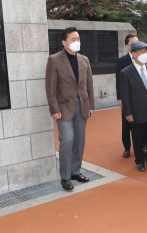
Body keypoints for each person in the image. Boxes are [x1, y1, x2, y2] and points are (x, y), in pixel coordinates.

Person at [45, 27, 94, 190]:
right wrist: (54, 108)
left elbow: (89, 86)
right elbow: (50, 87)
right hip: (63, 107)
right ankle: (65, 177)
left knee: (79, 140)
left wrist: (91, 106)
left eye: (78, 38)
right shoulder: (54, 60)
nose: (77, 42)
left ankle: (75, 171)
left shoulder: (84, 60)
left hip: (82, 106)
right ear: (64, 42)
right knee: (67, 140)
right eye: (73, 39)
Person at [119, 41, 147, 172]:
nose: (144, 54)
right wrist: (127, 112)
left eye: (145, 51)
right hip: (137, 111)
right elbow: (125, 95)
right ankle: (140, 161)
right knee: (137, 138)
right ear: (133, 54)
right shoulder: (126, 72)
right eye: (141, 52)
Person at [116, 33, 139, 158]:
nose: (135, 45)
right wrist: (120, 98)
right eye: (132, 43)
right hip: (127, 97)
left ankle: (141, 146)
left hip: (140, 97)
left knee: (141, 123)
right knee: (126, 125)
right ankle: (127, 148)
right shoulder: (122, 61)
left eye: (137, 41)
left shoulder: (142, 58)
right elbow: (118, 81)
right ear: (127, 46)